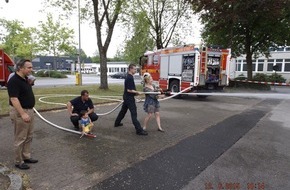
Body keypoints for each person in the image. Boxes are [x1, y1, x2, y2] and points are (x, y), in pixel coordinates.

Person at [7, 59, 38, 170]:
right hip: (20, 112)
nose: (31, 69)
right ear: (21, 68)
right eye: (29, 67)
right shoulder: (14, 81)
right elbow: (14, 99)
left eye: (31, 67)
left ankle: (26, 156)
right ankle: (18, 161)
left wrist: (30, 83)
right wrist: (23, 114)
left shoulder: (25, 79)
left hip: (29, 110)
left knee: (29, 136)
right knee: (20, 137)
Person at [114, 64, 148, 136]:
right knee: (134, 114)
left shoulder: (129, 77)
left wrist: (135, 94)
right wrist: (137, 92)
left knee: (123, 111)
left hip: (127, 97)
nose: (136, 70)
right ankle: (139, 130)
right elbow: (129, 90)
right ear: (130, 69)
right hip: (129, 98)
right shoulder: (129, 78)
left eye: (136, 69)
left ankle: (117, 123)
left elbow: (129, 90)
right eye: (134, 69)